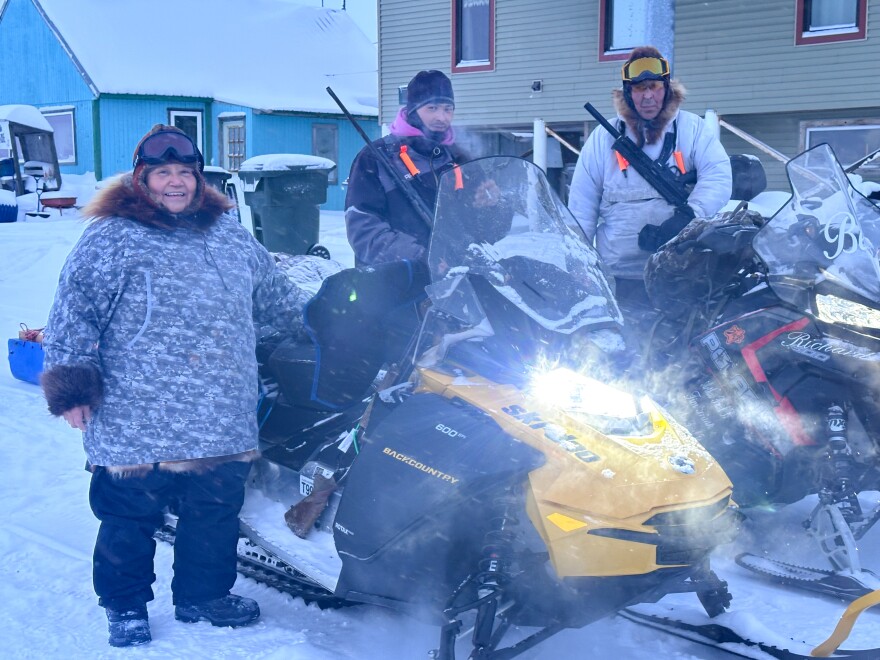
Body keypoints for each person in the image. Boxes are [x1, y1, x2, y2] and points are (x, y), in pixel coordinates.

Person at [40, 125, 311, 648]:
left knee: (213, 512)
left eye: (184, 173)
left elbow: (277, 303)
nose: (175, 183)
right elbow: (76, 310)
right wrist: (72, 387)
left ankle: (202, 596)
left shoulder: (229, 234)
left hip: (219, 409)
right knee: (128, 515)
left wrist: (335, 323)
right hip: (136, 412)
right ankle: (125, 607)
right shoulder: (111, 235)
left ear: (198, 178)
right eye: (162, 173)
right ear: (142, 177)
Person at [568, 45, 732, 311]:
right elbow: (581, 206)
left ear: (666, 88)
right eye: (639, 88)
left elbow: (718, 176)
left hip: (681, 270)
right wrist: (579, 263)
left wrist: (688, 216)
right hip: (619, 276)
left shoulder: (692, 129)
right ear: (627, 93)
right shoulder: (602, 138)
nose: (647, 97)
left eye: (654, 86)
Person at [345, 69, 474, 266]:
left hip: (453, 284)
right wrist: (420, 257)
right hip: (394, 283)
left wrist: (491, 206)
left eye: (448, 109)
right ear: (413, 110)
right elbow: (363, 230)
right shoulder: (376, 158)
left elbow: (482, 230)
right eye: (432, 108)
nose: (442, 117)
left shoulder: (458, 157)